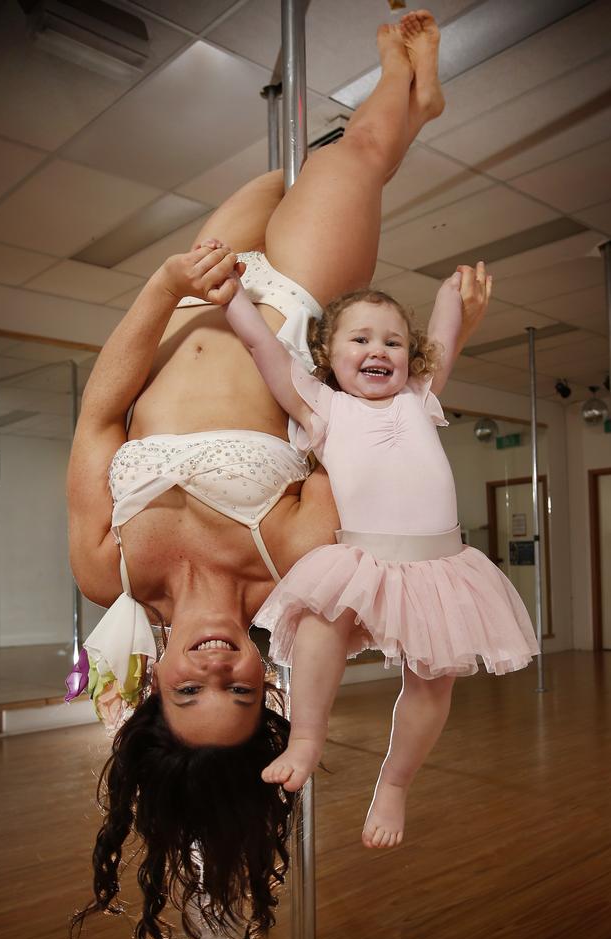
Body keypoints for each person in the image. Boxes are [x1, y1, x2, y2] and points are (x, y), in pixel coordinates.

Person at [66, 14, 490, 939]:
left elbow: (97, 415)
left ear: (152, 688)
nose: (217, 670)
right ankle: (413, 97)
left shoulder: (111, 569)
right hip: (292, 301)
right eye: (241, 693)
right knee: (356, 155)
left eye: (187, 692)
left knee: (273, 176)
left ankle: (405, 106)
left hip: (188, 298)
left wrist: (167, 282)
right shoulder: (297, 567)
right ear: (267, 683)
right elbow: (361, 441)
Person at [222, 269, 540, 854]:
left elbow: (439, 345)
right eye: (361, 339)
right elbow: (260, 345)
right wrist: (231, 298)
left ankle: (394, 784)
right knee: (320, 620)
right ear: (328, 354)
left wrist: (449, 299)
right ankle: (307, 738)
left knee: (433, 684)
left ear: (409, 358)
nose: (378, 350)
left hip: (442, 564)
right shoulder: (323, 408)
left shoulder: (420, 397)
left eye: (393, 342)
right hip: (363, 557)